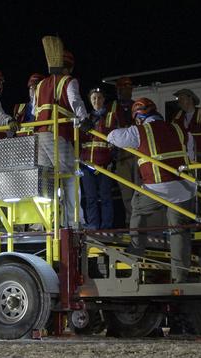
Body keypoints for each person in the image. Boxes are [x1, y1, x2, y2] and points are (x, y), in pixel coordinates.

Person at [106, 98, 195, 282]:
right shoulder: (181, 130)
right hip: (185, 188)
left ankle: (135, 254)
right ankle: (180, 275)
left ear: (139, 117)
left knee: (137, 210)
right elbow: (192, 156)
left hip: (157, 186)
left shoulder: (140, 130)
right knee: (179, 230)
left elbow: (114, 136)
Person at [33, 40, 90, 226]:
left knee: (46, 182)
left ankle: (43, 222)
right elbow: (75, 100)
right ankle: (75, 221)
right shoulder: (69, 81)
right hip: (57, 134)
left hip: (39, 134)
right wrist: (84, 119)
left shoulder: (41, 84)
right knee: (71, 176)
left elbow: (35, 111)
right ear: (70, 66)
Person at [79, 87, 117, 229]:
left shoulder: (112, 117)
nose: (97, 101)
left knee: (106, 197)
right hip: (87, 165)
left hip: (105, 164)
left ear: (104, 99)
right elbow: (79, 141)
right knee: (90, 198)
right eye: (94, 98)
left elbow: (116, 142)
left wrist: (112, 161)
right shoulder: (85, 118)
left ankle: (106, 227)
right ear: (90, 100)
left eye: (99, 97)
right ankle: (93, 225)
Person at [110, 76, 138, 224]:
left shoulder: (137, 106)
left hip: (137, 153)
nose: (124, 92)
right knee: (126, 190)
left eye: (127, 89)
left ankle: (139, 220)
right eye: (121, 89)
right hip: (121, 154)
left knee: (139, 189)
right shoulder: (112, 107)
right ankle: (130, 221)